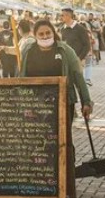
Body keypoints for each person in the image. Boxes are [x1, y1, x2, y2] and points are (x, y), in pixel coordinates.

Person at [19, 19, 94, 154]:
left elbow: (78, 76)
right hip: (37, 105)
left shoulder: (65, 51)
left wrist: (86, 102)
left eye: (48, 32)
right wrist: (23, 102)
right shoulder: (28, 51)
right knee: (40, 142)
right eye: (41, 34)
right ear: (35, 36)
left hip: (63, 104)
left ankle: (68, 172)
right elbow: (21, 77)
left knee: (63, 141)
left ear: (53, 32)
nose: (45, 36)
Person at [60, 8, 92, 86]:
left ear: (69, 15)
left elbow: (87, 45)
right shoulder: (62, 29)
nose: (61, 17)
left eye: (62, 15)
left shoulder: (80, 28)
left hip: (77, 59)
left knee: (78, 83)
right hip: (66, 60)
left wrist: (80, 58)